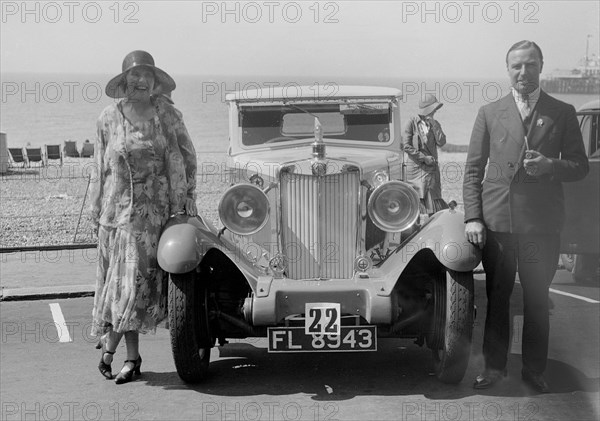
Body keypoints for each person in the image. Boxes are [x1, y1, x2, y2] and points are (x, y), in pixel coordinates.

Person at [463, 40, 589, 393]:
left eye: (530, 65)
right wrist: (473, 217)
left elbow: (579, 167)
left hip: (541, 226)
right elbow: (473, 170)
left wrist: (551, 165)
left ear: (541, 66)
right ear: (508, 70)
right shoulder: (490, 112)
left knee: (536, 299)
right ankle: (493, 369)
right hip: (499, 223)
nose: (523, 72)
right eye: (516, 66)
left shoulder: (562, 111)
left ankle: (534, 370)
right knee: (498, 297)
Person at [90, 50, 197, 384]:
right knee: (120, 289)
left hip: (151, 218)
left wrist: (189, 196)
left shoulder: (167, 115)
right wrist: (95, 209)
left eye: (146, 75)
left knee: (134, 288)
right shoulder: (108, 117)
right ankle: (132, 359)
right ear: (124, 81)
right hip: (114, 215)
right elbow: (99, 167)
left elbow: (188, 156)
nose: (139, 81)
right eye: (133, 76)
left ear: (154, 81)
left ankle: (110, 346)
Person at [402, 94, 447, 214]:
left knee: (434, 203)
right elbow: (406, 146)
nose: (435, 111)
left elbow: (442, 142)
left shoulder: (435, 124)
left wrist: (435, 125)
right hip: (416, 169)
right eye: (434, 108)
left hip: (431, 170)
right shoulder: (411, 122)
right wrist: (423, 158)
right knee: (416, 202)